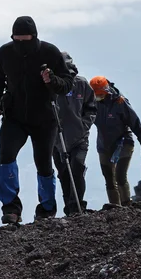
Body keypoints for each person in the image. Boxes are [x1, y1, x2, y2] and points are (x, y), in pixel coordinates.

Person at [0, 16, 73, 224]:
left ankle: (46, 209)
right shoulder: (4, 53)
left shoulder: (50, 52)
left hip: (44, 118)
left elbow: (67, 84)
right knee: (6, 158)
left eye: (25, 40)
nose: (21, 44)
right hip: (14, 115)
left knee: (43, 164)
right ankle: (11, 209)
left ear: (34, 36)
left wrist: (51, 81)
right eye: (17, 40)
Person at [89, 76, 141, 206]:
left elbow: (134, 122)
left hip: (123, 143)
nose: (98, 96)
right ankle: (115, 208)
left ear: (107, 91)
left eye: (100, 94)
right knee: (109, 178)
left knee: (120, 176)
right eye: (95, 94)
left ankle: (126, 205)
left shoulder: (120, 102)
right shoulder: (92, 103)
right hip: (103, 146)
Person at [52, 51, 97, 216]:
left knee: (77, 167)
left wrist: (83, 127)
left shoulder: (82, 84)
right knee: (64, 173)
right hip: (57, 139)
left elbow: (91, 108)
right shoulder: (50, 87)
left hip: (79, 138)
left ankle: (78, 206)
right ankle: (69, 207)